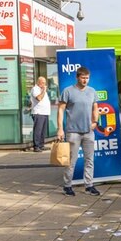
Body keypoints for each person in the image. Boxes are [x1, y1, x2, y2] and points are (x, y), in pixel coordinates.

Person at [57, 67, 101, 197]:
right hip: (73, 131)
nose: (85, 80)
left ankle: (89, 185)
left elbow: (95, 107)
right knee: (71, 160)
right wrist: (60, 129)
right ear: (77, 77)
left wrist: (95, 122)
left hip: (88, 131)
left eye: (87, 78)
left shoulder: (92, 91)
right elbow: (60, 110)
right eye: (83, 78)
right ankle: (67, 186)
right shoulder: (68, 91)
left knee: (89, 159)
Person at [31, 76, 51, 152]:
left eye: (45, 83)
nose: (44, 84)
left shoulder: (41, 90)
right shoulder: (35, 89)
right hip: (38, 112)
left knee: (43, 130)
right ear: (39, 82)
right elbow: (39, 98)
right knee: (38, 130)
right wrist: (44, 90)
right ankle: (36, 146)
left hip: (45, 112)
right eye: (43, 82)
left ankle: (41, 145)